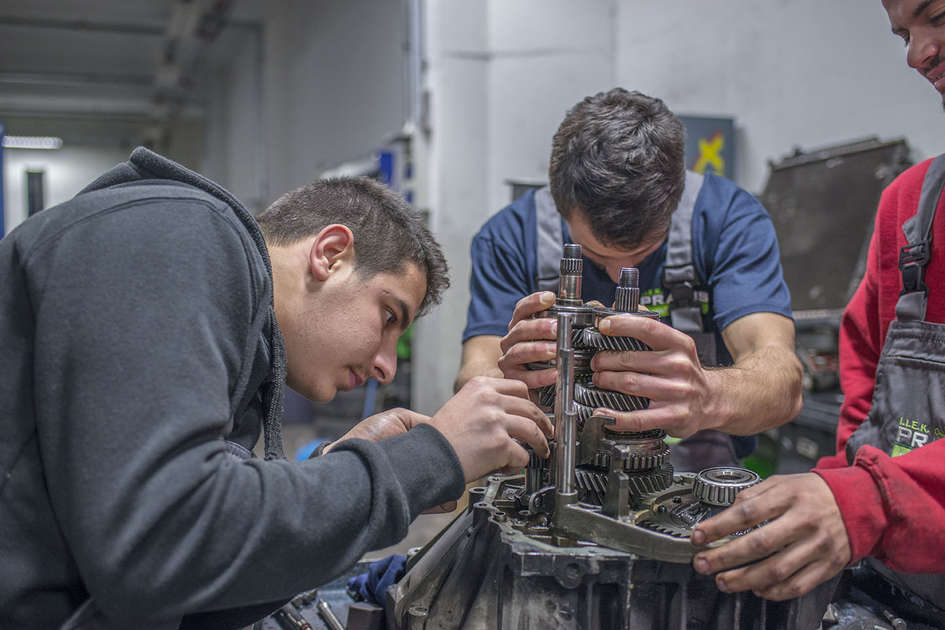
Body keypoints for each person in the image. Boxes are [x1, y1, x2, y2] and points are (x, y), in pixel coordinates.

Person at [0, 147, 552, 629]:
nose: (387, 366)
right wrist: (431, 455)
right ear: (330, 254)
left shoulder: (238, 350)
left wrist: (341, 469)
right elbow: (159, 546)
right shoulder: (177, 233)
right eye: (388, 315)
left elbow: (191, 584)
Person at [690, 0, 945, 612]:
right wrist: (825, 493)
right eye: (902, 34)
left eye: (936, 16)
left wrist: (870, 500)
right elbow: (866, 413)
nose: (916, 54)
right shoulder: (911, 210)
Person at [456, 88, 802, 470]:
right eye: (596, 255)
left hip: (691, 474)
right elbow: (475, 372)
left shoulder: (729, 220)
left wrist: (706, 394)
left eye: (642, 256)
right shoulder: (509, 237)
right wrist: (508, 389)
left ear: (674, 198)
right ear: (560, 206)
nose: (621, 279)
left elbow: (781, 380)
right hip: (557, 469)